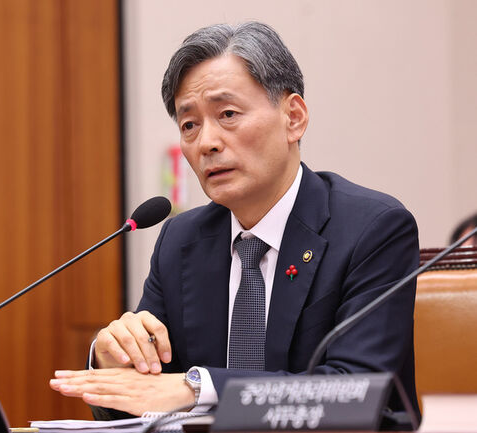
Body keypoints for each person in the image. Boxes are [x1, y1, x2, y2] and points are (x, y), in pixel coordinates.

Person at [49, 21, 420, 420]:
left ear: (293, 117)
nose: (207, 142)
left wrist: (198, 387)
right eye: (189, 125)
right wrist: (113, 360)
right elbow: (146, 397)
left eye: (228, 114)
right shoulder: (180, 240)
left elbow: (356, 391)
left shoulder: (372, 229)